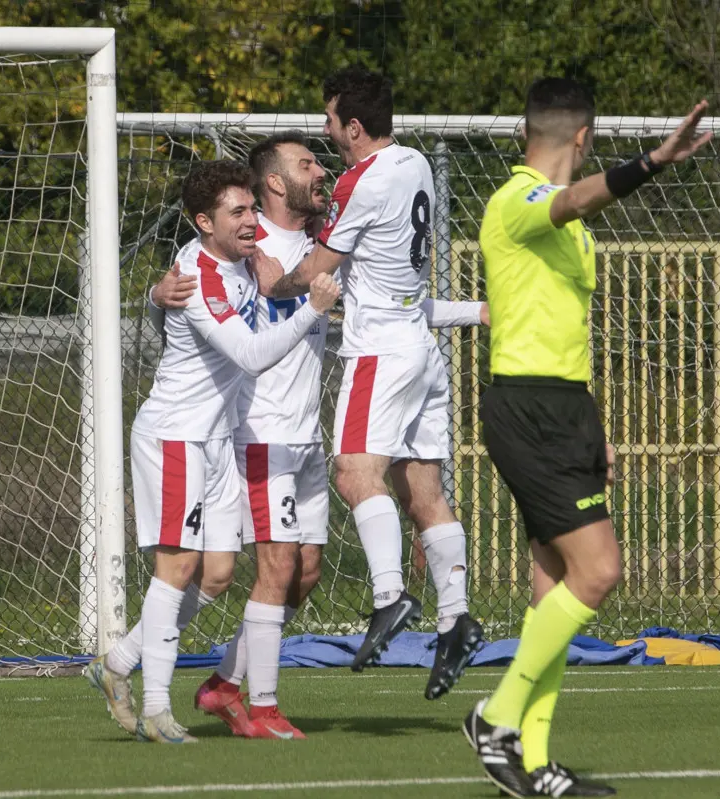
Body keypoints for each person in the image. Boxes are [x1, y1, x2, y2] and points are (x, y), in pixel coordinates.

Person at [151, 131, 488, 738]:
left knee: (301, 577)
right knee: (271, 569)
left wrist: (477, 311)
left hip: (304, 433)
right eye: (307, 164)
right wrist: (156, 297)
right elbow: (189, 293)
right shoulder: (244, 245)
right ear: (275, 181)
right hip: (256, 433)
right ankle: (255, 706)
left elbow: (397, 307)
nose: (321, 171)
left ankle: (222, 684)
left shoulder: (322, 249)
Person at [463, 77, 711, 797]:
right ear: (583, 138)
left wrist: (593, 424)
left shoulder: (573, 228)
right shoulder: (519, 200)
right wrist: (653, 163)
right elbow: (570, 197)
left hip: (565, 407)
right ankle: (497, 716)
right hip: (527, 407)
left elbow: (564, 329)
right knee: (600, 571)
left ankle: (534, 762)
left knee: (555, 588)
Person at [83, 159, 339, 744]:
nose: (252, 221)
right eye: (239, 212)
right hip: (177, 436)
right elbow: (250, 355)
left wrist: (156, 297)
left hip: (218, 439)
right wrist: (312, 310)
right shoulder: (198, 276)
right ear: (204, 221)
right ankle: (155, 710)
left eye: (252, 208)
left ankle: (117, 662)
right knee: (177, 569)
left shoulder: (239, 259)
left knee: (219, 573)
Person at [251, 67, 484, 699]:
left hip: (379, 350)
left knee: (355, 472)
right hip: (420, 347)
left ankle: (389, 597)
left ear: (353, 127)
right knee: (424, 491)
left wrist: (277, 280)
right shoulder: (416, 164)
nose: (326, 134)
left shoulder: (360, 179)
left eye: (329, 122)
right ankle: (456, 617)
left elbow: (320, 269)